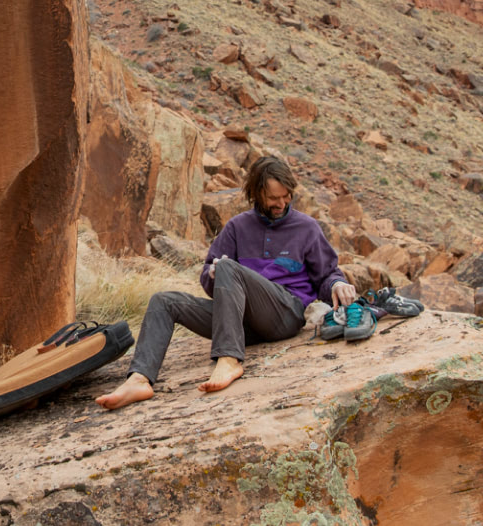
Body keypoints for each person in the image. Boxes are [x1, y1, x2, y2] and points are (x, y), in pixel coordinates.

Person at [96, 155, 355, 409]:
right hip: (240, 323)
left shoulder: (306, 228)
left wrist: (335, 284)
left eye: (286, 196)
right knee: (164, 301)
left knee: (228, 267)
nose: (282, 203)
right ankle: (139, 378)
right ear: (256, 194)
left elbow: (326, 273)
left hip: (285, 315)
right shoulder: (237, 227)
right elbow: (209, 273)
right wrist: (212, 274)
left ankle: (229, 359)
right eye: (273, 198)